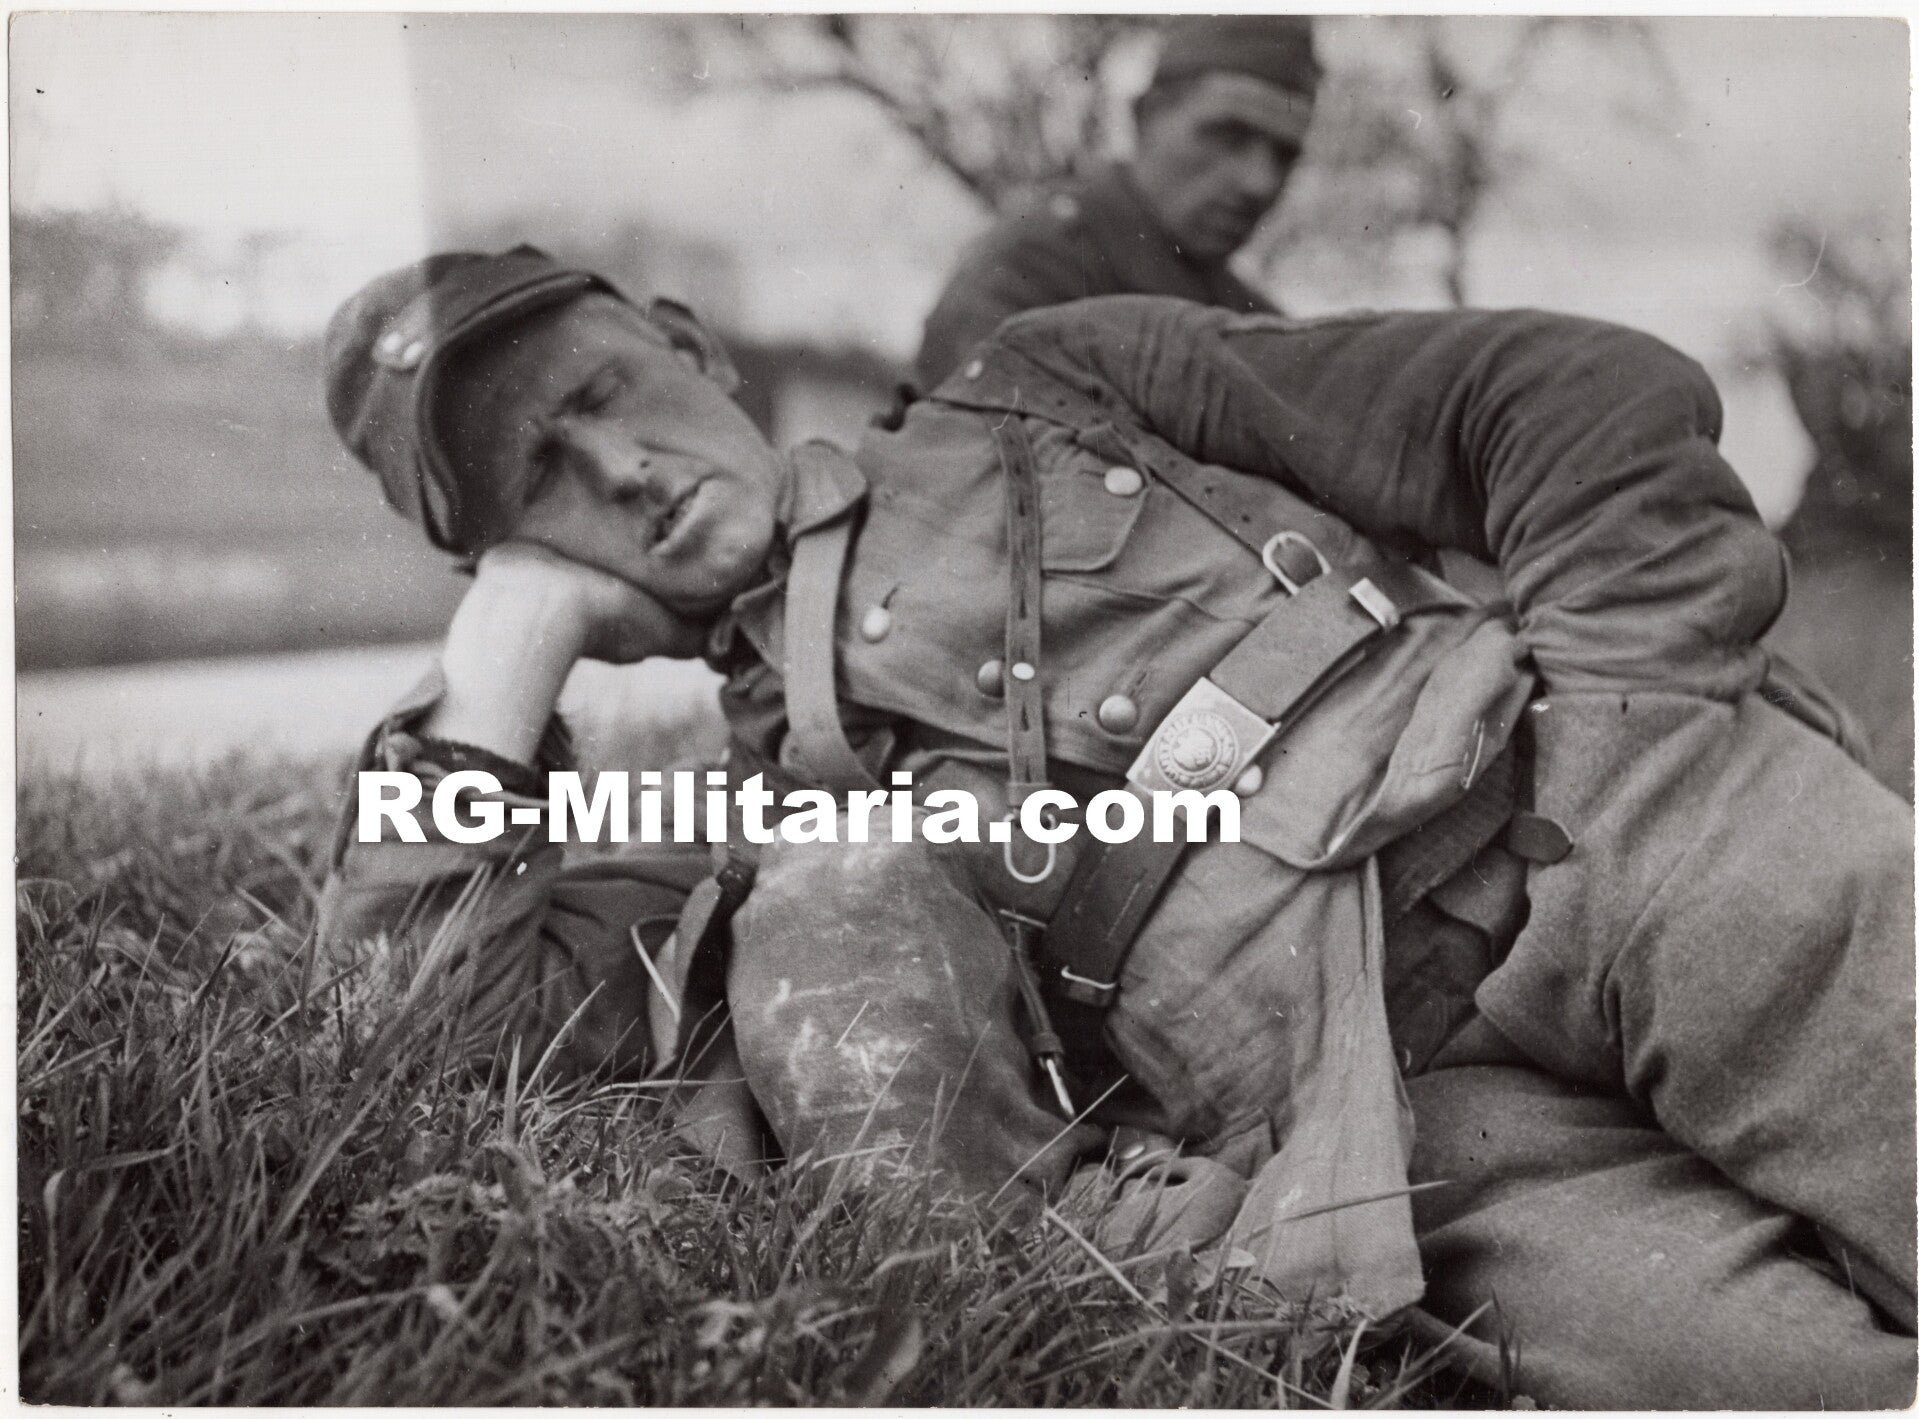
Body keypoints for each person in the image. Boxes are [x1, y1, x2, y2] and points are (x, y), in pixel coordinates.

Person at [318, 245, 1916, 1408]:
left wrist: (1629, 726)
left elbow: (1550, 394)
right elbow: (437, 1016)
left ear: (688, 342)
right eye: (542, 480)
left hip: (1593, 829)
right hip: (1399, 1133)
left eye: (602, 391)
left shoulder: (1045, 382)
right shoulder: (731, 824)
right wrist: (503, 658)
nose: (618, 468)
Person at [912, 15, 1319, 388]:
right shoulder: (1035, 266)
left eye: (1285, 156)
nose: (1260, 182)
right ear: (1147, 116)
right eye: (1229, 136)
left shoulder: (1263, 331)